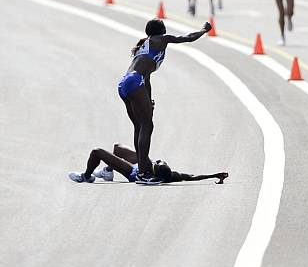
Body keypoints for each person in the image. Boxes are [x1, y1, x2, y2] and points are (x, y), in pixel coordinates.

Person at [118, 19, 211, 184]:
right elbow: (188, 37)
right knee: (147, 126)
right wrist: (204, 30)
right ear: (162, 30)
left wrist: (149, 100)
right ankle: (142, 171)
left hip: (126, 83)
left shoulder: (145, 45)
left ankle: (142, 167)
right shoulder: (160, 39)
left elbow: (146, 79)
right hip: (134, 82)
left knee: (139, 126)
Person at [68, 143, 228, 184]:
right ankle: (108, 171)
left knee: (97, 151)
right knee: (117, 148)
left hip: (132, 171)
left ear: (153, 171)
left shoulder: (147, 171)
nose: (158, 160)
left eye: (157, 163)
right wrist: (214, 175)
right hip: (141, 164)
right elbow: (191, 177)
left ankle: (86, 176)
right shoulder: (172, 175)